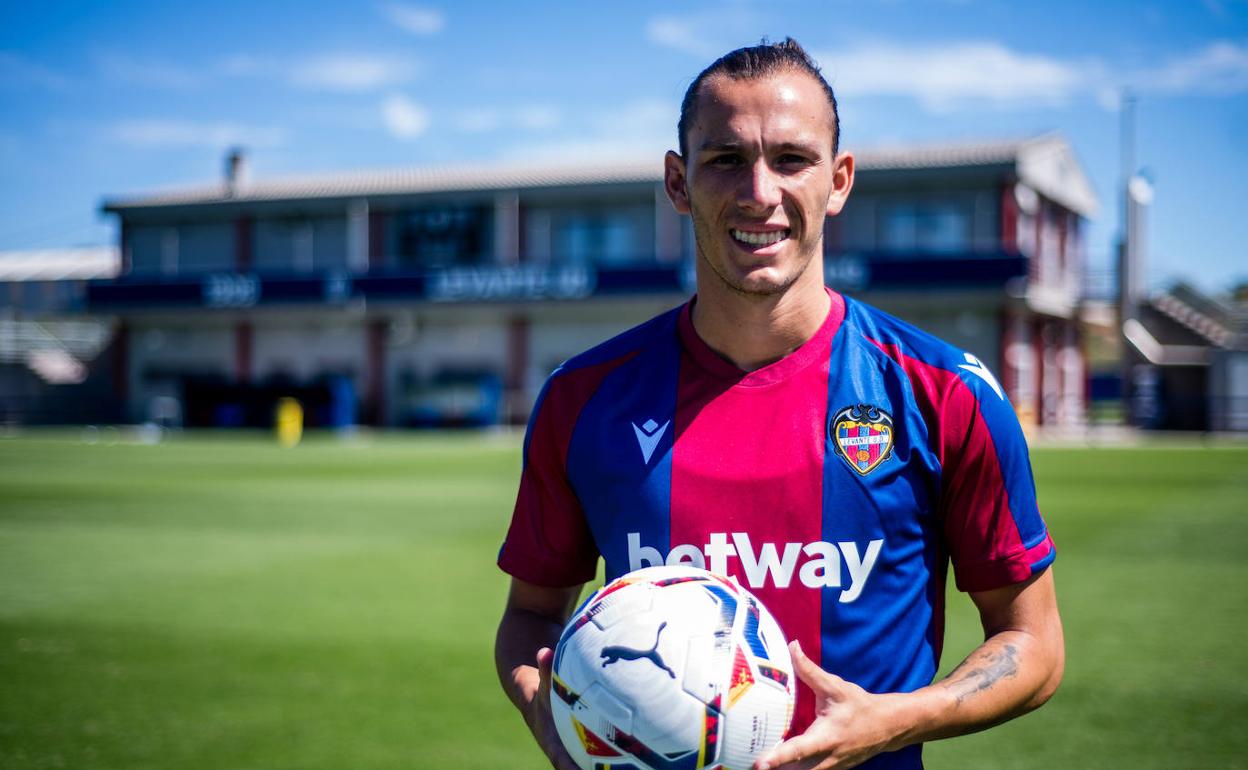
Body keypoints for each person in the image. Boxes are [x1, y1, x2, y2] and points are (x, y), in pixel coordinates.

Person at [495, 38, 1063, 770]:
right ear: (677, 181)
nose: (759, 192)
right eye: (726, 159)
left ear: (839, 179)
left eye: (791, 159)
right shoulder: (582, 399)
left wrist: (893, 721)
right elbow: (532, 615)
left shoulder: (944, 393)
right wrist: (554, 719)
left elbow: (1035, 644)